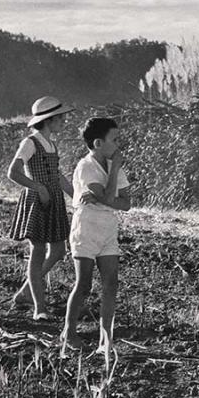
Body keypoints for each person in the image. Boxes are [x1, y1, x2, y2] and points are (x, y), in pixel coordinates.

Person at [61, 117, 131, 352]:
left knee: (111, 283)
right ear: (98, 143)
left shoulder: (114, 167)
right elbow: (113, 198)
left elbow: (126, 203)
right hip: (86, 228)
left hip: (108, 227)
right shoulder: (86, 166)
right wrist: (109, 193)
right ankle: (68, 333)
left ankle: (105, 338)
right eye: (115, 140)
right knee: (84, 284)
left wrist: (105, 197)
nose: (118, 145)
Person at [7, 96, 76, 320]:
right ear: (50, 120)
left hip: (54, 200)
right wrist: (37, 187)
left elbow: (56, 175)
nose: (63, 121)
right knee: (37, 252)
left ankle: (26, 291)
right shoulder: (30, 142)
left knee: (58, 251)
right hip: (37, 201)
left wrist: (76, 196)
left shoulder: (51, 144)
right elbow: (13, 172)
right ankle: (39, 308)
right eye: (61, 118)